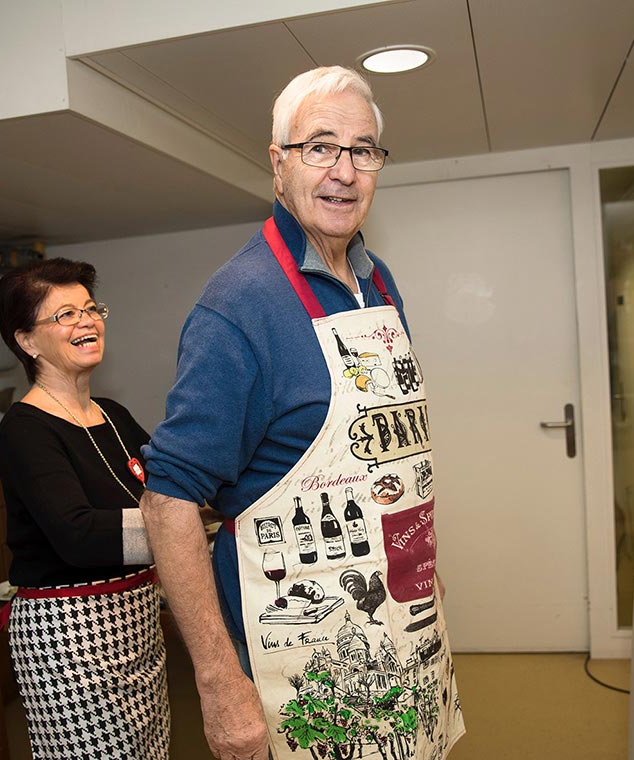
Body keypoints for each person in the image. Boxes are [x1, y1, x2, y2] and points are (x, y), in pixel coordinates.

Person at [139, 66, 464, 760]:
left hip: (402, 623)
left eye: (363, 149)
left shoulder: (378, 281)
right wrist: (220, 681)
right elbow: (168, 501)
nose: (344, 171)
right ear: (278, 165)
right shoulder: (239, 305)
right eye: (320, 146)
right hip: (297, 650)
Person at [0, 258, 169, 760]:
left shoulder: (113, 414)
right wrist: (179, 529)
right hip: (69, 635)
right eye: (64, 314)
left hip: (138, 618)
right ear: (26, 341)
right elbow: (80, 535)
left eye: (91, 309)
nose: (87, 321)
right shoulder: (25, 429)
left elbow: (172, 484)